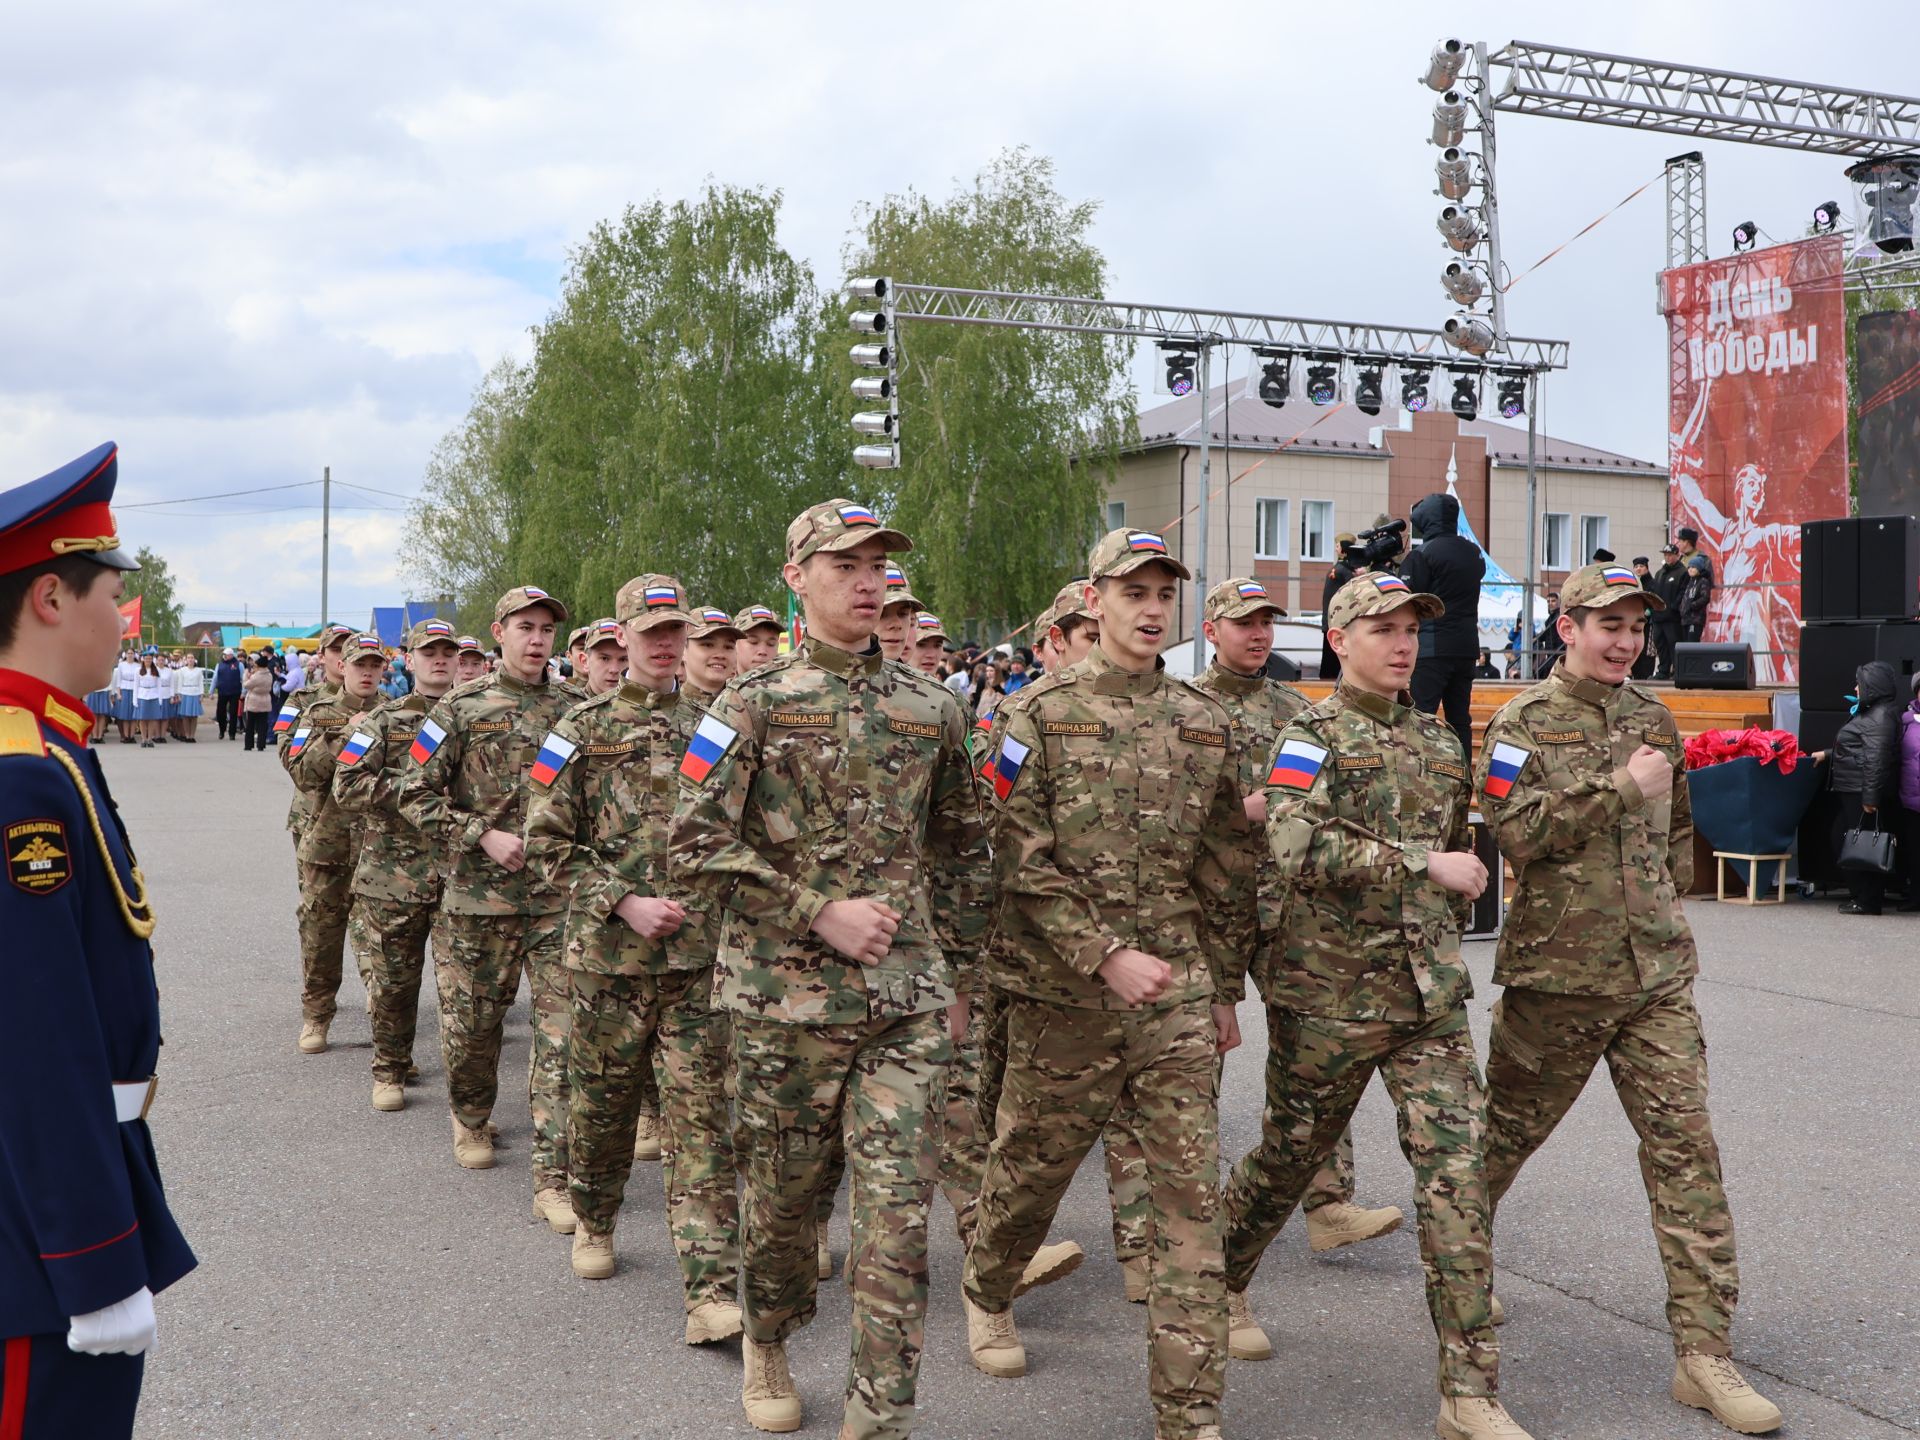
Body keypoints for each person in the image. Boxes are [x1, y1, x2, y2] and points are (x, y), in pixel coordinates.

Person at [669, 499, 991, 1438]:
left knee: (895, 1220)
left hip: (906, 1005)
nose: (866, 580)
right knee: (782, 1206)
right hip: (785, 1003)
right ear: (796, 579)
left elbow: (969, 849)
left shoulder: (934, 706)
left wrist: (958, 976)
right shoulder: (748, 705)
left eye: (878, 564)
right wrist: (819, 912)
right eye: (845, 563)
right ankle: (768, 1335)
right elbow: (691, 843)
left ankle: (878, 1414)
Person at [1474, 561, 1780, 1436]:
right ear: (1567, 627)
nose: (1625, 641)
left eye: (1636, 626)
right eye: (1608, 624)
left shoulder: (1652, 717)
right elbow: (1515, 836)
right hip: (1558, 981)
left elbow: (1677, 832)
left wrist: (1664, 911)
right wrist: (1617, 790)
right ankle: (1462, 1273)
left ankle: (1703, 1351)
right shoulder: (1517, 722)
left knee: (1687, 1151)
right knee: (1498, 1143)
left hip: (1654, 979)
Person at [962, 528, 1254, 1440]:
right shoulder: (1033, 715)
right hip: (1062, 996)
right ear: (1094, 601)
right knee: (1029, 1174)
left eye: (1164, 590)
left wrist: (1221, 989)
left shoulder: (1207, 720)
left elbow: (1224, 864)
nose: (1151, 606)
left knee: (1188, 1205)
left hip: (1171, 991)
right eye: (1133, 591)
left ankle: (1189, 1414)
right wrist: (1100, 953)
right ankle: (989, 1282)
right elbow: (1014, 852)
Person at [1225, 570, 1522, 1440]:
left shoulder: (1437, 745)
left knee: (1457, 1177)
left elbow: (1458, 849)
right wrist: (1415, 865)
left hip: (1427, 996)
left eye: (1411, 629)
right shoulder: (1307, 734)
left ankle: (1469, 1392)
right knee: (1287, 1158)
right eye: (1382, 627)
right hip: (1328, 996)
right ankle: (1216, 1273)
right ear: (1338, 641)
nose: (1402, 643)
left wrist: (1451, 882)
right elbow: (1289, 838)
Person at [0, 441, 196, 1439]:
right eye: (111, 591)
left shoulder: (50, 746)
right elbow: (35, 1042)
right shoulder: (21, 774)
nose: (124, 617)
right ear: (48, 598)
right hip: (34, 1220)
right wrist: (93, 1262)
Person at [525, 574, 744, 1348]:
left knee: (702, 1127)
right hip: (606, 963)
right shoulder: (577, 731)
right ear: (619, 638)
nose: (662, 641)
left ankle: (712, 1291)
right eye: (648, 629)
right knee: (602, 1113)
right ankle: (596, 1216)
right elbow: (545, 842)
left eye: (673, 629)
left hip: (697, 964)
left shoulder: (718, 727)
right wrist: (621, 900)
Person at [1190, 580, 1404, 1310]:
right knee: (1196, 1068)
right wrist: (1235, 812)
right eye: (1245, 623)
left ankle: (1326, 1202)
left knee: (1313, 1053)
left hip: (1285, 901)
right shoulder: (1189, 705)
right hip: (1207, 902)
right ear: (1213, 628)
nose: (1258, 635)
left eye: (1267, 623)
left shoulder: (1295, 709)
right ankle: (1193, 1231)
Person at [397, 586, 576, 1211]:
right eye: (525, 627)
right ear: (499, 632)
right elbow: (412, 792)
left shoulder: (579, 708)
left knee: (564, 1035)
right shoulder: (459, 708)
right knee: (474, 1029)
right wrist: (482, 836)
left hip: (560, 901)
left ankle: (555, 1170)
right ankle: (471, 1115)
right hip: (480, 900)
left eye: (546, 630)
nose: (536, 639)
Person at [331, 619, 460, 1111]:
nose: (441, 660)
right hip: (393, 875)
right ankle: (389, 1068)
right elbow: (347, 786)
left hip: (463, 878)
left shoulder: (474, 716)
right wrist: (415, 795)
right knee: (394, 985)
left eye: (448, 651)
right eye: (430, 652)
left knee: (461, 996)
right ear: (410, 659)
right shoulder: (381, 722)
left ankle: (465, 1096)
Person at [283, 632, 384, 1054]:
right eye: (356, 662)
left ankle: (387, 1032)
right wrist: (346, 734)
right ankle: (317, 1015)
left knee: (379, 940)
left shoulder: (396, 712)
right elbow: (302, 771)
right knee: (321, 935)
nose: (365, 671)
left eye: (374, 665)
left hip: (380, 847)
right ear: (339, 663)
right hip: (325, 840)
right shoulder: (315, 711)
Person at [1403, 492, 1487, 762]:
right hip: (1465, 647)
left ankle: (1422, 769)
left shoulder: (1424, 554)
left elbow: (1405, 596)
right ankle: (1461, 771)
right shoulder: (1473, 552)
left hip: (1432, 647)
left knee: (1421, 714)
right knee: (1459, 717)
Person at [1824, 660, 1901, 916]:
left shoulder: (1879, 716)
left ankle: (1867, 900)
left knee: (1863, 843)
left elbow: (1876, 759)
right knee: (1848, 838)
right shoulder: (1873, 713)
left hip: (1861, 792)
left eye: (1860, 683)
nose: (1855, 688)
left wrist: (1870, 798)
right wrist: (1826, 754)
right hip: (1855, 788)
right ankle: (1863, 896)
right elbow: (1857, 747)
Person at [682, 607, 742, 711]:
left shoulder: (748, 709)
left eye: (728, 647)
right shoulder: (665, 711)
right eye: (708, 645)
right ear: (683, 650)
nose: (720, 655)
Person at [1318, 534, 1357, 681]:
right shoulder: (1346, 570)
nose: (1336, 548)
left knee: (1332, 661)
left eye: (1338, 545)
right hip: (1335, 622)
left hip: (1335, 622)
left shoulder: (1340, 570)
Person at [1649, 544, 1685, 680]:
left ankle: (1677, 671)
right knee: (1660, 644)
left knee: (1674, 644)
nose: (1668, 557)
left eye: (1670, 554)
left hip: (1672, 618)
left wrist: (1674, 607)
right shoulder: (1660, 573)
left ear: (1677, 555)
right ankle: (1663, 671)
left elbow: (1682, 593)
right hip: (1658, 616)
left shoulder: (1682, 572)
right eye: (1665, 555)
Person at [1676, 527, 1713, 646]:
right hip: (1681, 610)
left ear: (1687, 542)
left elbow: (1707, 584)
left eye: (1680, 541)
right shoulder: (1681, 559)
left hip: (1694, 614)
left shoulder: (1702, 559)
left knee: (1691, 644)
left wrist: (1692, 605)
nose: (1679, 544)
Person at [577, 618, 626, 696]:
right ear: (585, 662)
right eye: (605, 658)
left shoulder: (644, 705)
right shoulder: (568, 706)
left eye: (623, 659)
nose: (614, 670)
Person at [733, 604, 783, 674]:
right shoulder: (718, 682)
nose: (762, 651)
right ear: (734, 644)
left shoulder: (792, 682)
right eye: (753, 642)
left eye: (771, 644)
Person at [241, 653, 275, 750]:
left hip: (254, 701)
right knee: (262, 724)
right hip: (266, 700)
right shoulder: (269, 675)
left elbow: (246, 685)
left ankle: (249, 744)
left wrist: (246, 676)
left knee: (250, 724)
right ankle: (261, 744)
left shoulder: (257, 676)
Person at [132, 652, 164, 748]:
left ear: (152, 660)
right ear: (143, 659)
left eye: (150, 658)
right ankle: (143, 739)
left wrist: (160, 699)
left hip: (153, 696)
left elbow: (159, 686)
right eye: (146, 658)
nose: (148, 660)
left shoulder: (156, 670)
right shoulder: (138, 670)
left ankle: (150, 739)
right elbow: (136, 686)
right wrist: (135, 700)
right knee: (142, 719)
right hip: (142, 695)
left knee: (152, 719)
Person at [171, 653, 204, 742]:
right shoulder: (182, 670)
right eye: (188, 658)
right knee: (185, 716)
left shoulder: (198, 670)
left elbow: (201, 683)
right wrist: (179, 695)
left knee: (194, 716)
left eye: (192, 658)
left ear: (194, 660)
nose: (190, 659)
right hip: (185, 693)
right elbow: (180, 683)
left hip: (195, 693)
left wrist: (201, 695)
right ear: (186, 660)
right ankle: (187, 735)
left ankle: (192, 736)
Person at [1531, 588, 1564, 679]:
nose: (1550, 603)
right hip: (1551, 653)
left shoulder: (1559, 617)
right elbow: (1547, 634)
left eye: (1553, 601)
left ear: (1559, 602)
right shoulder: (1550, 619)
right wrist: (1536, 638)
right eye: (1548, 601)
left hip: (1557, 653)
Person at [213, 648, 244, 740]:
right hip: (222, 692)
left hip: (235, 692)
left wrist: (243, 691)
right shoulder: (219, 664)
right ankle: (222, 730)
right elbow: (215, 678)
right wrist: (211, 692)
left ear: (231, 655)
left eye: (226, 654)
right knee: (220, 712)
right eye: (224, 654)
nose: (224, 656)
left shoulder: (239, 664)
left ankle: (232, 733)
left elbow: (243, 679)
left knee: (233, 712)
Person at [114, 647, 139, 743]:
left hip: (134, 690)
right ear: (126, 655)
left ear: (134, 655)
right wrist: (119, 693)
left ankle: (132, 736)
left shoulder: (138, 666)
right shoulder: (121, 665)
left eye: (132, 653)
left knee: (132, 715)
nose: (130, 655)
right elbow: (118, 680)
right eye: (128, 653)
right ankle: (126, 736)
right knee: (125, 715)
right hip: (124, 689)